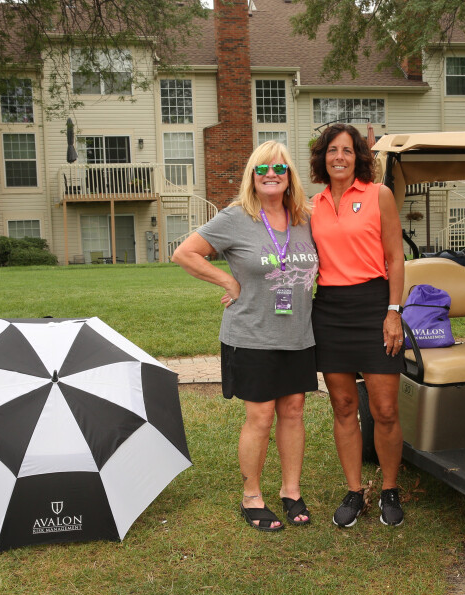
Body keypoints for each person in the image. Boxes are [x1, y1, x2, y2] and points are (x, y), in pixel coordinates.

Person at [172, 141, 318, 532]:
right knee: (261, 415)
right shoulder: (236, 217)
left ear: (290, 177)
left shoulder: (305, 218)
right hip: (251, 335)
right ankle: (251, 495)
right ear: (251, 176)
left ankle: (291, 491)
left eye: (280, 169)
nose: (271, 175)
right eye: (262, 169)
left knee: (293, 411)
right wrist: (226, 279)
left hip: (298, 335)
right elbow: (185, 253)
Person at [309, 123, 406, 528]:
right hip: (330, 310)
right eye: (333, 150)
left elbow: (396, 258)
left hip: (373, 306)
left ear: (359, 157)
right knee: (344, 406)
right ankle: (354, 490)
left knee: (384, 409)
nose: (339, 157)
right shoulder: (310, 204)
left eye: (347, 150)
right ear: (322, 157)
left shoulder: (378, 195)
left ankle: (389, 490)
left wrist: (393, 311)